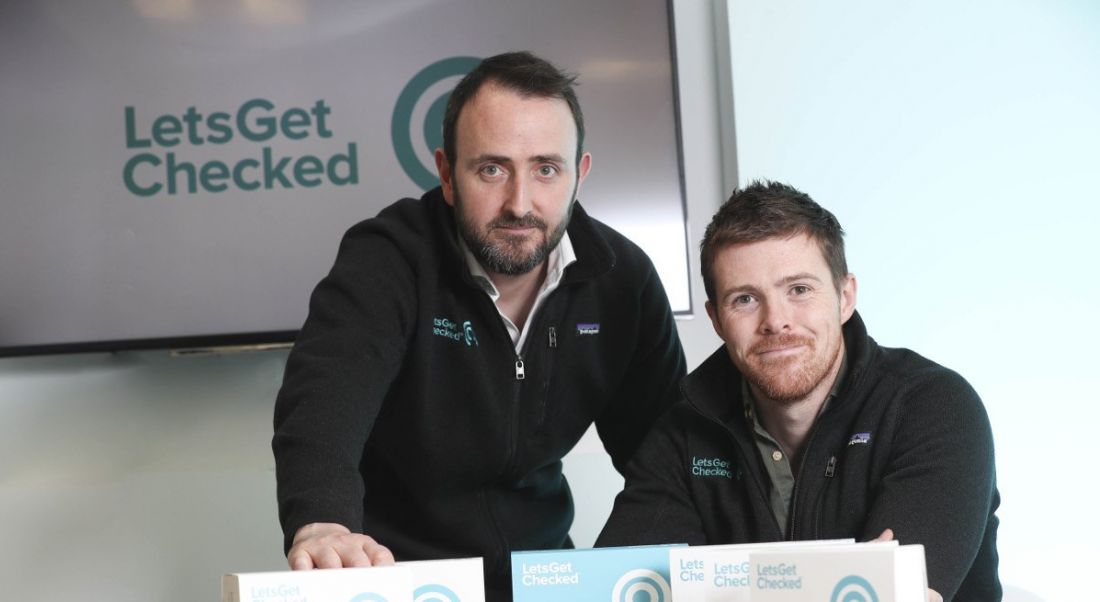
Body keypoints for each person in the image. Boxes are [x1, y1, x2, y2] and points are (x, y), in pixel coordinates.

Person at [271, 51, 686, 601]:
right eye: (492, 168)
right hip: (398, 578)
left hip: (544, 580)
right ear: (447, 174)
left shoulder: (623, 280)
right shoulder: (389, 258)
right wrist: (323, 522)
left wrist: (611, 571)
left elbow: (667, 458)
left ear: (578, 174)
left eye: (546, 169)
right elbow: (326, 402)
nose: (519, 203)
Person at [596, 181, 1000, 601]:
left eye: (799, 290)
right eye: (745, 299)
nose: (776, 321)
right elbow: (608, 591)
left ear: (845, 297)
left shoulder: (935, 408)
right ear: (717, 320)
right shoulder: (681, 435)